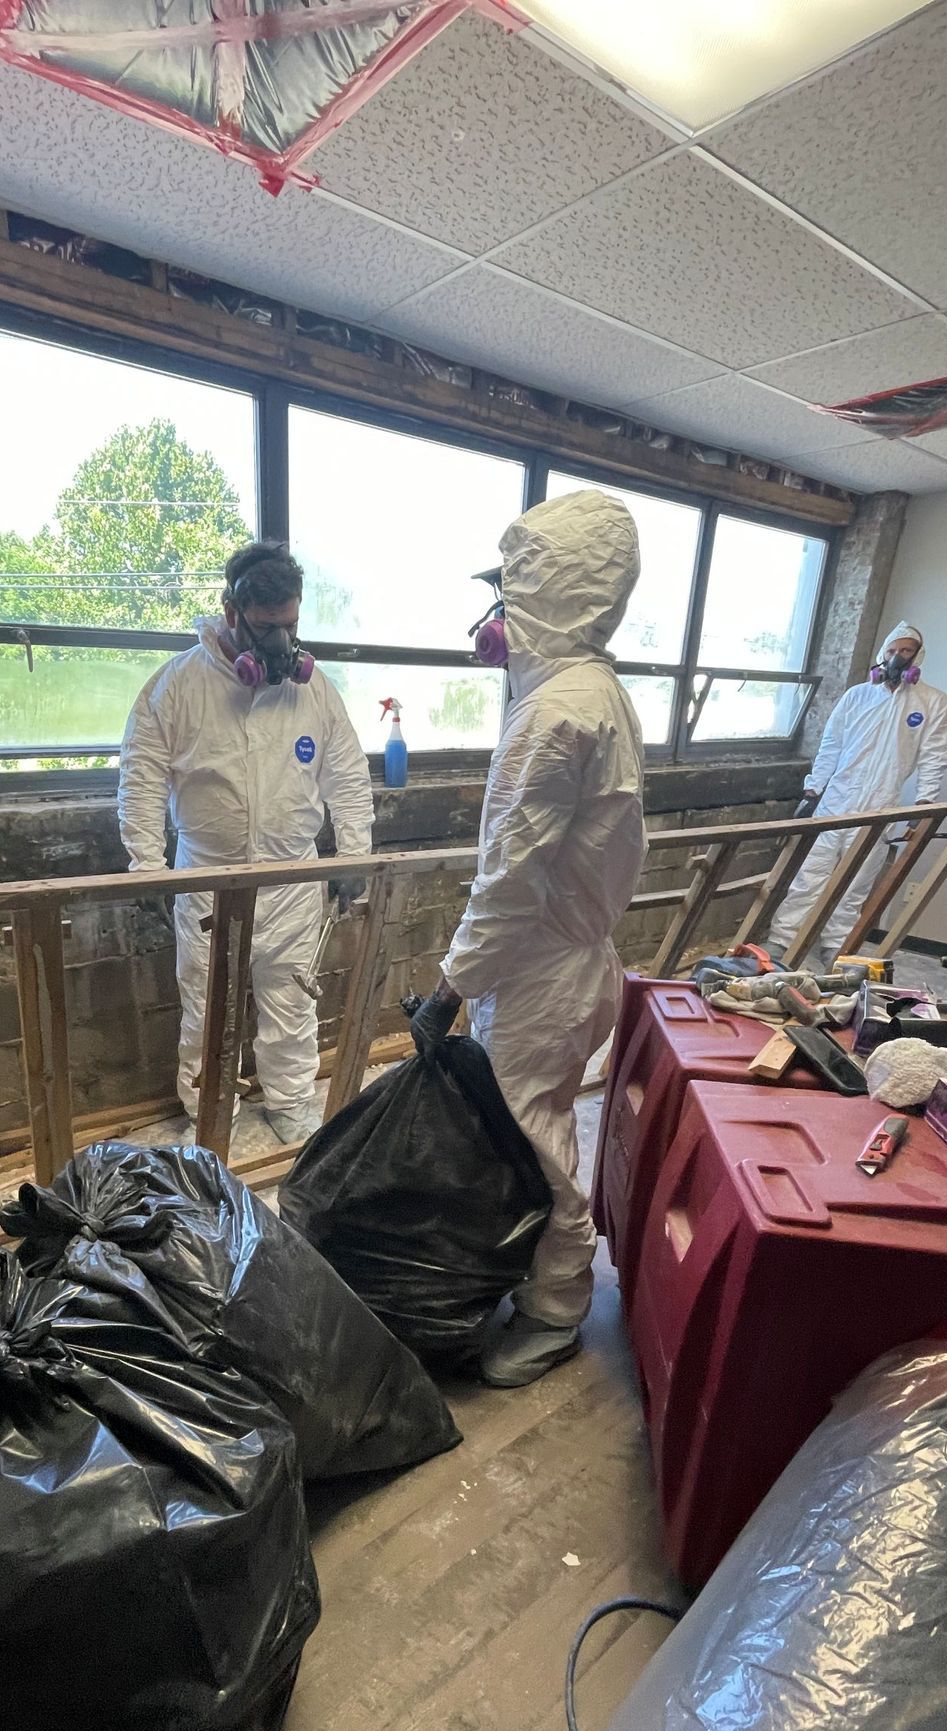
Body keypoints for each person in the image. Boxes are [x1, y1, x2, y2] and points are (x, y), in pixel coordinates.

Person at [410, 488, 647, 1389]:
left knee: (536, 1142)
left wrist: (448, 989)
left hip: (542, 970)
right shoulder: (593, 693)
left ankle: (553, 1313)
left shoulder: (552, 717)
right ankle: (522, 1282)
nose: (493, 618)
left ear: (548, 597)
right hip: (569, 961)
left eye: (508, 595)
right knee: (532, 1130)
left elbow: (510, 882)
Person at [118, 541, 373, 1145]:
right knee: (208, 1010)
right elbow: (142, 776)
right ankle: (213, 1119)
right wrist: (145, 864)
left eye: (290, 626)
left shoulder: (314, 692)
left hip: (292, 879)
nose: (281, 644)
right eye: (265, 628)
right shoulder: (177, 687)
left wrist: (354, 855)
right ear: (230, 612)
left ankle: (289, 1103)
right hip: (208, 880)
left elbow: (347, 774)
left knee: (290, 1000)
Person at [767, 621, 947, 967]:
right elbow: (831, 744)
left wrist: (925, 803)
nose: (897, 658)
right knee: (809, 875)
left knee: (854, 886)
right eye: (892, 651)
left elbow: (935, 755)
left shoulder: (932, 704)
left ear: (918, 657)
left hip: (880, 805)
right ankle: (782, 944)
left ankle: (836, 952)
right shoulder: (857, 696)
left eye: (906, 651)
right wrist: (813, 789)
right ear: (882, 655)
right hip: (834, 801)